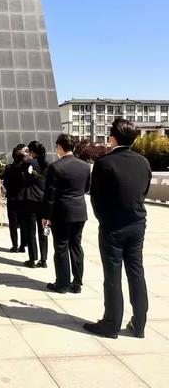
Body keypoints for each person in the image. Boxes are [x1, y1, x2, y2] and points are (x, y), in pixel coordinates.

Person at [84, 119, 152, 339]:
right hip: (137, 225)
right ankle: (139, 324)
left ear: (113, 138)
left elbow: (96, 199)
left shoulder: (105, 163)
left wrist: (105, 220)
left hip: (113, 227)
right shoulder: (144, 162)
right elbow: (143, 192)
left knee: (112, 275)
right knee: (136, 272)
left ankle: (111, 324)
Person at [42, 134, 91, 293]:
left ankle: (62, 284)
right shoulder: (84, 166)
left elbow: (50, 195)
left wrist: (45, 216)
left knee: (61, 247)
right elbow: (86, 188)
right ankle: (77, 283)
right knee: (76, 246)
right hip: (79, 211)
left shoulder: (55, 167)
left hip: (61, 212)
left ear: (60, 147)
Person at [20, 141, 49, 268]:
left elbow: (24, 177)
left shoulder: (29, 163)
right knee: (44, 230)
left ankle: (32, 258)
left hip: (31, 199)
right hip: (44, 201)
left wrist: (23, 155)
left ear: (31, 151)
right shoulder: (48, 164)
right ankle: (43, 259)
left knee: (31, 230)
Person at [1, 144, 26, 252]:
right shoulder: (26, 167)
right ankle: (23, 246)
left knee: (13, 223)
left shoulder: (9, 167)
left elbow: (5, 183)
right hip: (23, 198)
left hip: (12, 197)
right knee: (24, 223)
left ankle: (15, 245)